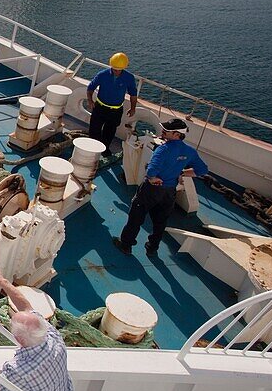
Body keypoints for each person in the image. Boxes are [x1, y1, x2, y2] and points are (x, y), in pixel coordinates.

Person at [114, 118, 209, 256]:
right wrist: (182, 172)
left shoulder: (163, 149)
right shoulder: (190, 151)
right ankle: (152, 248)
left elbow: (151, 170)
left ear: (177, 134)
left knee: (136, 217)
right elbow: (202, 170)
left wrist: (153, 179)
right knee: (160, 222)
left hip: (151, 190)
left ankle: (126, 245)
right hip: (169, 193)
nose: (163, 132)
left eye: (167, 131)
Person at [86, 52, 138, 156]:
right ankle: (90, 149)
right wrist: (90, 101)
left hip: (116, 111)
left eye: (119, 70)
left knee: (109, 132)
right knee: (94, 129)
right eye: (115, 69)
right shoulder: (102, 75)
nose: (117, 72)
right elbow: (90, 88)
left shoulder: (129, 78)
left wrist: (133, 108)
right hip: (100, 108)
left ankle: (104, 150)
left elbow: (133, 94)